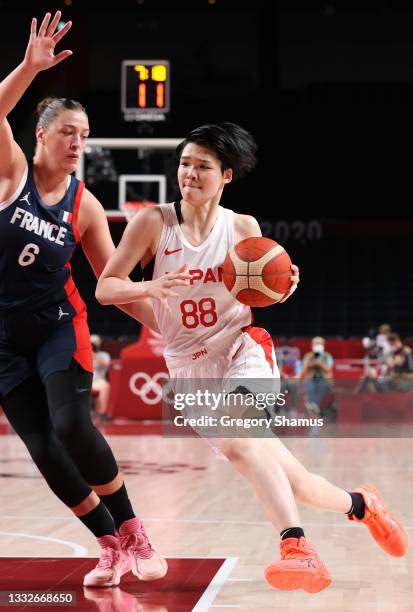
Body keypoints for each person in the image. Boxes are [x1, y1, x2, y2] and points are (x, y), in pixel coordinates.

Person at [96, 122, 408, 593]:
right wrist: (150, 288)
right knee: (297, 483)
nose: (190, 174)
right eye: (184, 164)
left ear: (226, 176)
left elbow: (259, 290)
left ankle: (296, 548)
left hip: (242, 348)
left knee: (240, 442)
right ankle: (362, 504)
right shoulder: (153, 223)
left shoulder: (242, 227)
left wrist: (282, 284)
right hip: (188, 369)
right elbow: (106, 288)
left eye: (202, 167)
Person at [0, 11, 189, 588]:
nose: (79, 143)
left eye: (84, 136)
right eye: (68, 134)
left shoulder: (83, 205)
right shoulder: (10, 173)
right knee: (43, 451)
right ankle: (109, 544)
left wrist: (170, 322)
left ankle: (135, 531)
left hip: (58, 325)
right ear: (41, 136)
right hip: (4, 340)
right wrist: (30, 68)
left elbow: (112, 284)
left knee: (71, 425)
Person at [302, 336, 334, 417]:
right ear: (312, 345)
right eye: (316, 344)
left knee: (322, 386)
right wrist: (311, 364)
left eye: (319, 344)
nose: (318, 345)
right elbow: (304, 369)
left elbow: (328, 368)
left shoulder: (327, 356)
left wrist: (320, 364)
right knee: (310, 386)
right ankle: (315, 409)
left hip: (324, 379)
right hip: (310, 379)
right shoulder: (308, 356)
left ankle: (313, 407)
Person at [90, 334, 112, 420]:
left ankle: (102, 413)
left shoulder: (104, 354)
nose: (93, 345)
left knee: (105, 386)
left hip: (98, 381)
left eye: (95, 344)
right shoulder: (83, 354)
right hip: (86, 380)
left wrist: (94, 355)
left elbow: (105, 363)